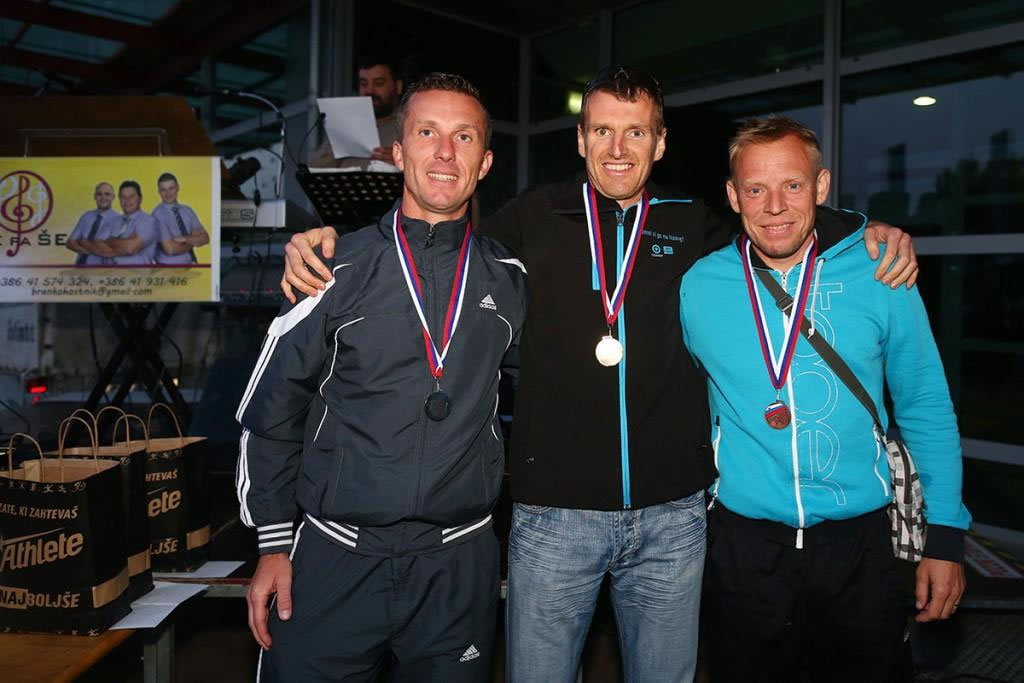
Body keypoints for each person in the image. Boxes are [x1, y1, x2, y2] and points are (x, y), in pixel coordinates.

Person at [277, 67, 918, 682]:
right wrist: (327, 240)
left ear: (659, 143)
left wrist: (864, 232)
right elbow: (438, 248)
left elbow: (776, 227)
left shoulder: (691, 221)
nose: (617, 148)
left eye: (635, 131)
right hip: (552, 519)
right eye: (603, 130)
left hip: (672, 517)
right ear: (581, 139)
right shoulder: (532, 217)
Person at [237, 72, 527, 682]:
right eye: (426, 133)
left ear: (485, 161)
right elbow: (270, 412)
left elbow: (555, 397)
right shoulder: (329, 270)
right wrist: (272, 544)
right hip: (334, 557)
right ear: (397, 152)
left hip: (457, 564)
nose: (444, 153)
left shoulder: (509, 282)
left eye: (464, 137)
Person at [680, 116, 968, 682]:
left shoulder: (882, 270)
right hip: (744, 550)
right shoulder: (699, 286)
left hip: (861, 549)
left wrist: (945, 540)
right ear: (733, 197)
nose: (774, 206)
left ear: (821, 186)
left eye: (792, 184)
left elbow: (926, 404)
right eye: (756, 189)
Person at [308, 52, 404, 169]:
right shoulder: (348, 125)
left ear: (398, 86)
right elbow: (314, 168)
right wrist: (340, 141)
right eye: (364, 84)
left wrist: (402, 160)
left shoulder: (409, 125)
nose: (369, 90)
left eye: (379, 83)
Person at [152, 172, 209, 265]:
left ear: (178, 188)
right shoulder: (157, 215)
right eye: (163, 190)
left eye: (171, 188)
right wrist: (193, 240)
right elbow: (171, 249)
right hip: (168, 269)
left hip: (192, 265)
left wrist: (185, 238)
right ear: (159, 192)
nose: (168, 193)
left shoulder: (188, 210)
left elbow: (205, 238)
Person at [66, 182, 119, 265]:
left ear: (113, 197)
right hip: (80, 267)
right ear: (94, 196)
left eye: (107, 194)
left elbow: (109, 251)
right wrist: (90, 250)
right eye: (99, 194)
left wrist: (83, 242)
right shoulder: (86, 216)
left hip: (103, 270)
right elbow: (70, 243)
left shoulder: (119, 220)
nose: (103, 197)